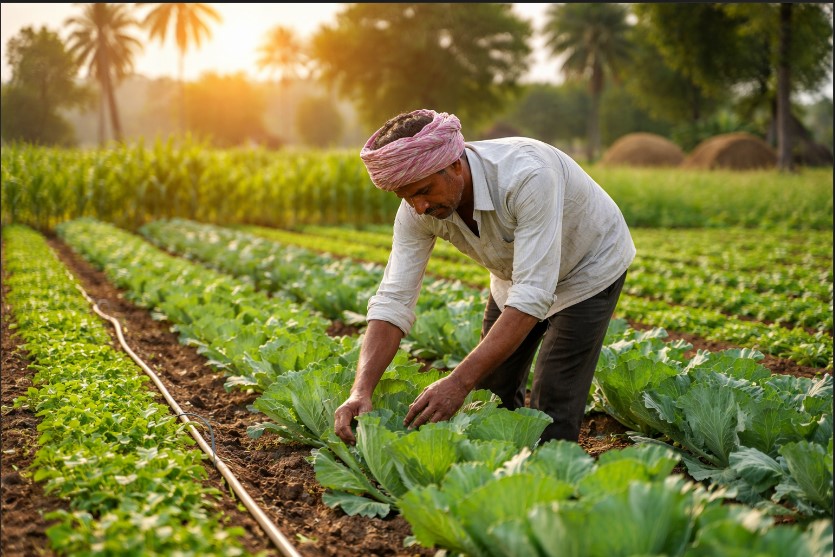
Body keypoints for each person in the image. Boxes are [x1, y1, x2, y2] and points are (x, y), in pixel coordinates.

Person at [333, 108, 635, 446]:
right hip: (515, 274)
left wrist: (457, 382)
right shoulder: (417, 210)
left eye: (424, 190)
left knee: (554, 396)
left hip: (587, 265)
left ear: (455, 165)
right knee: (491, 389)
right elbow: (393, 300)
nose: (419, 206)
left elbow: (532, 295)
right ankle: (502, 466)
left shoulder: (527, 176)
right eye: (406, 197)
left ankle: (552, 470)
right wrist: (360, 391)